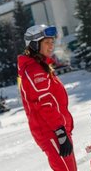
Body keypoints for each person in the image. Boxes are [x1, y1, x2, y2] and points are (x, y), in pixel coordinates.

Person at [17, 25, 77, 170]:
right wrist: (60, 133)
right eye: (46, 42)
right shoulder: (33, 70)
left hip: (57, 130)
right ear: (34, 45)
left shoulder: (41, 66)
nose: (51, 46)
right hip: (51, 131)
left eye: (52, 42)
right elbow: (44, 104)